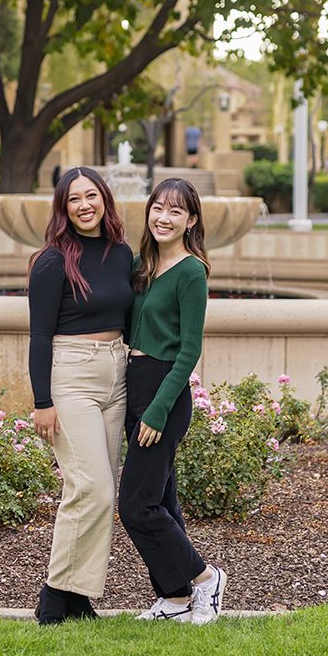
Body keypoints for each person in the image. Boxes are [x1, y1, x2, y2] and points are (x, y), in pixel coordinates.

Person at [28, 167, 134, 624]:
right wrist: (41, 402)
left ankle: (78, 596)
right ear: (63, 208)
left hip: (118, 373)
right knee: (89, 486)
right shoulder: (52, 261)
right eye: (74, 199)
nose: (84, 205)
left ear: (104, 200)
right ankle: (54, 594)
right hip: (71, 375)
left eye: (91, 195)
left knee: (104, 492)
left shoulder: (121, 253)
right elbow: (38, 336)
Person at [118, 178, 227, 624]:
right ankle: (175, 598)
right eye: (158, 208)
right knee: (162, 498)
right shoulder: (142, 266)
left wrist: (158, 409)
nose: (164, 217)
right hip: (136, 380)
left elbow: (189, 349)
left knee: (137, 505)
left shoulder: (191, 271)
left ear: (191, 220)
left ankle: (205, 579)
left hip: (165, 390)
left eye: (176, 211)